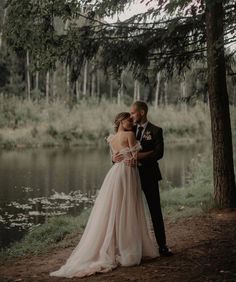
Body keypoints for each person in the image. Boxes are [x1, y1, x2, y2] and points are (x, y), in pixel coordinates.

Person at [50, 112, 158, 278]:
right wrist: (148, 154)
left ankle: (116, 245)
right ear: (120, 121)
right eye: (128, 120)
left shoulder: (112, 138)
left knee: (115, 208)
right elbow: (134, 159)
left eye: (131, 120)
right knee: (128, 206)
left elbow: (115, 158)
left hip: (115, 174)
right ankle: (128, 247)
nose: (131, 122)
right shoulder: (129, 135)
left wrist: (122, 158)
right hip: (128, 173)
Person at [113, 101, 173, 257]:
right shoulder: (128, 128)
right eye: (130, 114)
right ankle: (129, 247)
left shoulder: (156, 130)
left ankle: (162, 245)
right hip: (129, 176)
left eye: (133, 113)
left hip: (149, 176)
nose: (131, 116)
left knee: (155, 210)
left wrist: (138, 157)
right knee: (128, 211)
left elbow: (158, 153)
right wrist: (115, 158)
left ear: (142, 112)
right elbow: (119, 152)